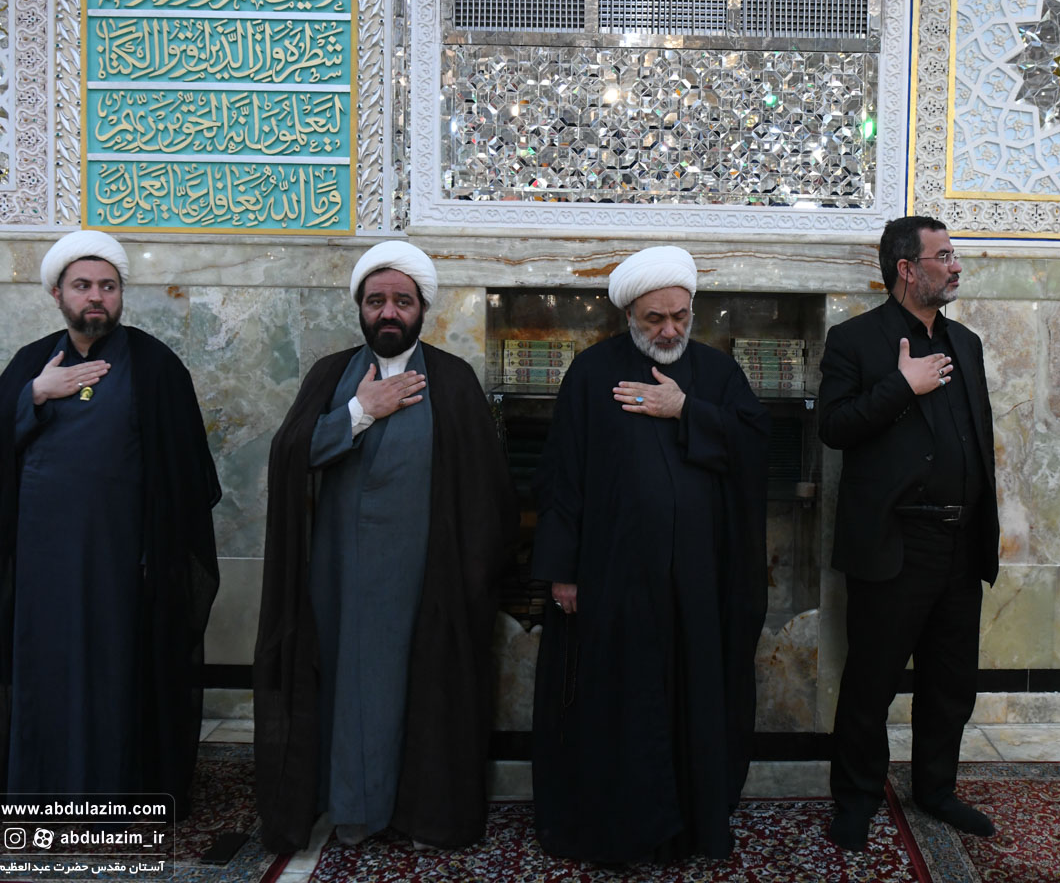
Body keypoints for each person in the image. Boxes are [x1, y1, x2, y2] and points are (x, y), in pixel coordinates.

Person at [254, 240, 518, 853]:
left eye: (402, 300)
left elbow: (486, 486)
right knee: (353, 691)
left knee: (426, 691)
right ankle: (356, 807)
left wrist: (476, 570)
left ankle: (424, 811)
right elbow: (292, 455)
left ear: (422, 308)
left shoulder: (452, 379)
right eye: (377, 301)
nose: (389, 312)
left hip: (429, 576)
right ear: (361, 308)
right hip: (341, 576)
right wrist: (359, 410)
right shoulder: (332, 375)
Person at [0, 230, 221, 810]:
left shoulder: (155, 365)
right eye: (82, 286)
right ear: (57, 293)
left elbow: (189, 471)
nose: (96, 297)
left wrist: (156, 549)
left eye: (108, 286)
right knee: (46, 675)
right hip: (41, 567)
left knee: (114, 676)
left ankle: (114, 796)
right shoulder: (31, 362)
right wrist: (34, 394)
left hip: (120, 564)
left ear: (120, 294)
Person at [531, 245, 771, 862]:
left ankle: (691, 826)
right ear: (629, 316)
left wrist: (686, 409)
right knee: (622, 704)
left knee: (692, 701)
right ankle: (622, 832)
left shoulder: (717, 373)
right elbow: (562, 476)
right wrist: (562, 571)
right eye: (654, 319)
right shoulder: (592, 373)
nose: (669, 330)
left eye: (680, 317)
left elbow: (754, 449)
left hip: (699, 584)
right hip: (614, 581)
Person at [820, 216, 1000, 849]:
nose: (956, 266)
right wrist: (902, 385)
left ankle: (936, 790)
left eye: (954, 255)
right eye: (943, 256)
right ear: (906, 268)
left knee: (951, 683)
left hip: (961, 542)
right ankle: (856, 798)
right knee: (871, 683)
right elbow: (834, 428)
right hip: (895, 543)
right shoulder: (854, 340)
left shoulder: (965, 342)